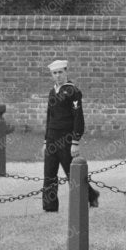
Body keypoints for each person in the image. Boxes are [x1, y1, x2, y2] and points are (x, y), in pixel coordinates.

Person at [41, 58, 99, 213]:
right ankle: (50, 207)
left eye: (60, 72)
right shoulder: (52, 92)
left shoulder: (73, 91)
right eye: (54, 73)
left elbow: (78, 117)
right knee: (49, 173)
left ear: (66, 72)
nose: (58, 76)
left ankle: (91, 196)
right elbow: (49, 118)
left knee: (71, 172)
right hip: (52, 137)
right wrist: (46, 140)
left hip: (66, 139)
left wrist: (75, 141)